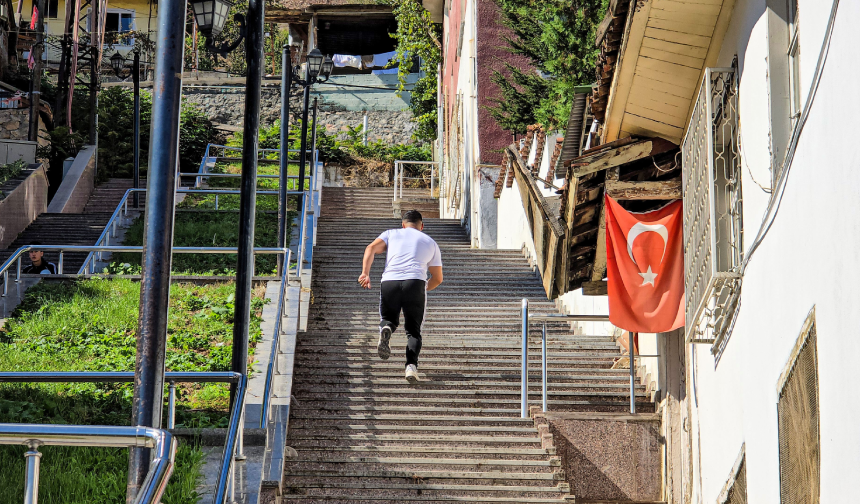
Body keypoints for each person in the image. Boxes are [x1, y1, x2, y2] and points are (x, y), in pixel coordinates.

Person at [358, 210, 443, 383]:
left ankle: (386, 328)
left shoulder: (391, 234)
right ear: (422, 226)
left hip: (390, 281)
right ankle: (411, 367)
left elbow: (371, 248)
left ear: (403, 225)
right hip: (415, 282)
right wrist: (422, 288)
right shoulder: (430, 242)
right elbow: (438, 278)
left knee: (388, 318)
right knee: (413, 331)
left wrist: (365, 273)